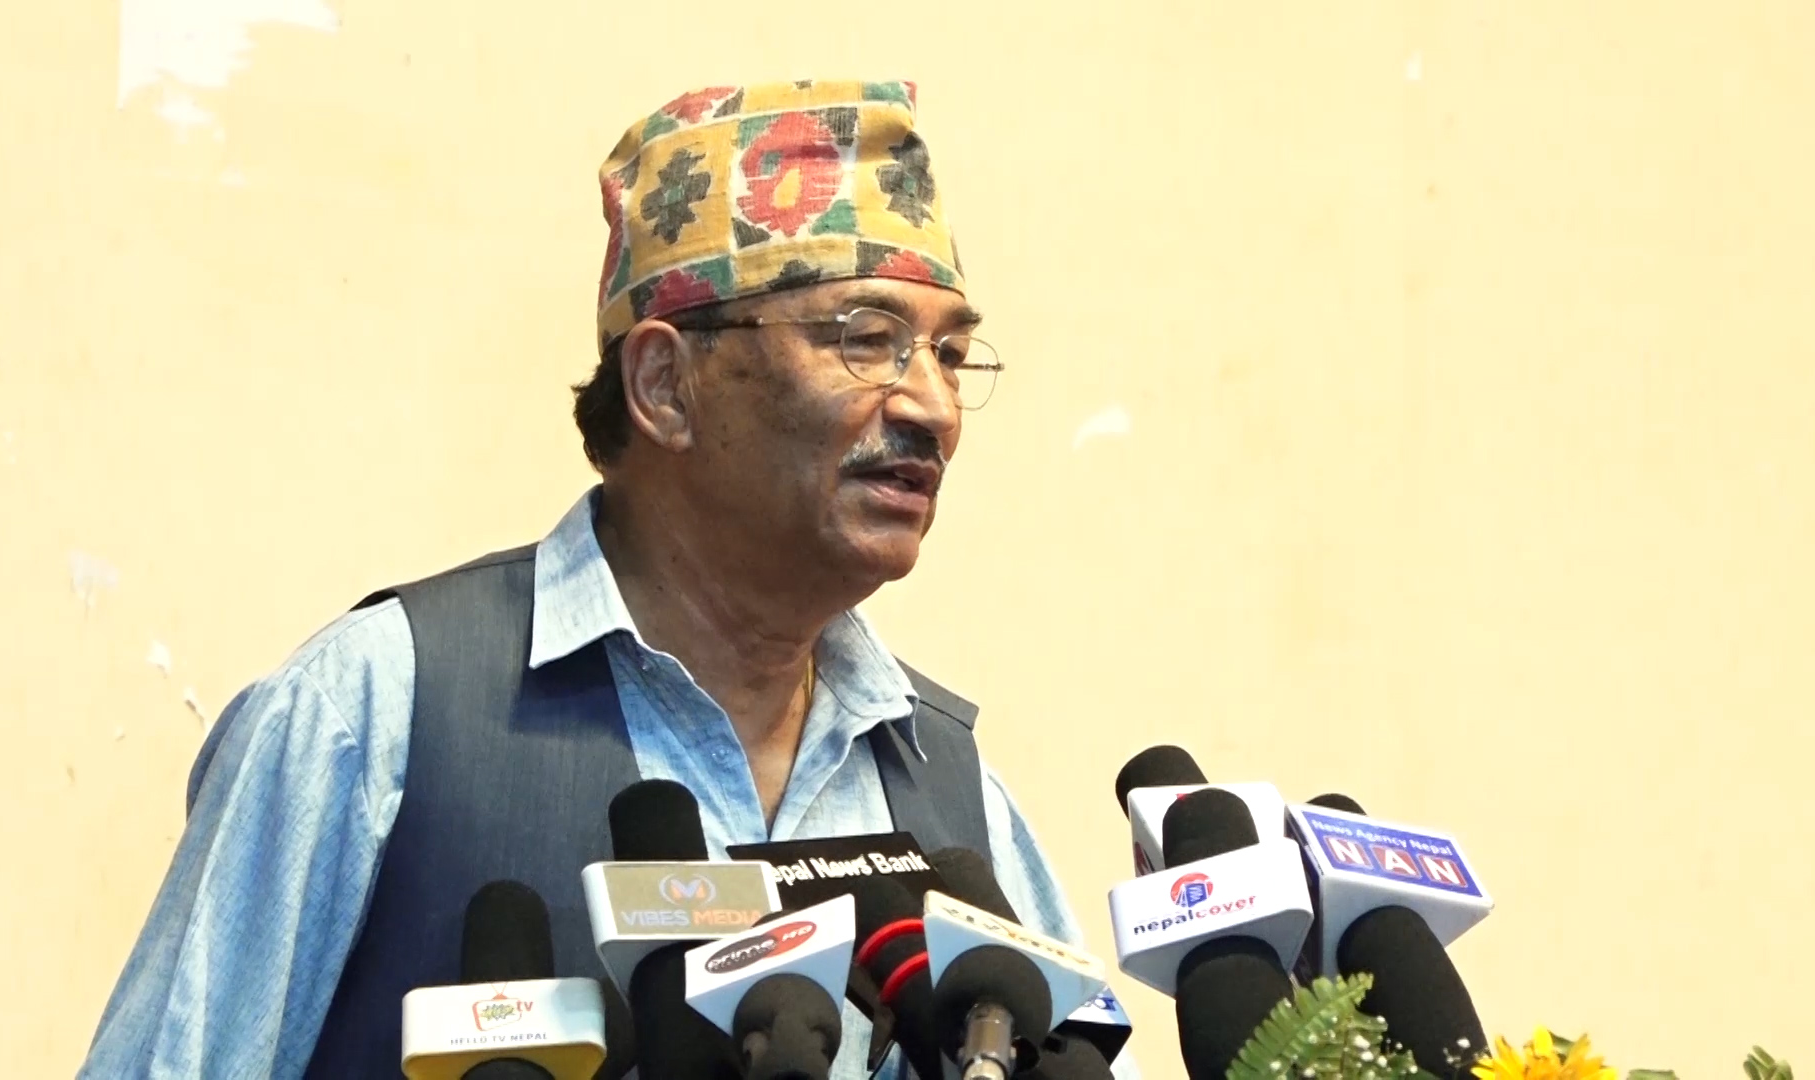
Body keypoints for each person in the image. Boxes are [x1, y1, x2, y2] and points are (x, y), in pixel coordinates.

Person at [79, 79, 1130, 1079]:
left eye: (951, 355)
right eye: (867, 341)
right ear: (665, 384)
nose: (934, 408)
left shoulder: (954, 789)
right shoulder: (376, 713)